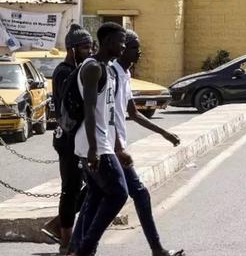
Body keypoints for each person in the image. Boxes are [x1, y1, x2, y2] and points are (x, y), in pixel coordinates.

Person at [108, 30, 184, 256]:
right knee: (137, 194)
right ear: (122, 48)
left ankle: (74, 244)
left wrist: (164, 132)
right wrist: (117, 147)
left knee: (98, 195)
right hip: (109, 146)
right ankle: (157, 249)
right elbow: (105, 115)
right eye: (134, 47)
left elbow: (132, 112)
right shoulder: (111, 74)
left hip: (114, 145)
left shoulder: (124, 73)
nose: (139, 52)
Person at [68, 22, 128, 256]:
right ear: (108, 42)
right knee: (118, 193)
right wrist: (94, 148)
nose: (123, 46)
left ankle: (78, 248)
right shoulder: (93, 68)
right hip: (94, 144)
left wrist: (118, 146)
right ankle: (85, 248)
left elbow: (109, 114)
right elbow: (90, 109)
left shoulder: (108, 68)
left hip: (100, 142)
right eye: (120, 41)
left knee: (95, 195)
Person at [41, 25, 94, 253]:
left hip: (81, 138)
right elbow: (71, 103)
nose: (89, 51)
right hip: (67, 139)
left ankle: (58, 224)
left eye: (91, 46)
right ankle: (65, 240)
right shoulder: (64, 71)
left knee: (95, 185)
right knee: (70, 189)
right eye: (85, 47)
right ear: (72, 49)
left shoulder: (81, 69)